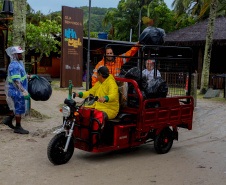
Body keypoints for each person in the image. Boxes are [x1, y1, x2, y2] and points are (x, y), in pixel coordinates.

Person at [1, 46, 36, 134]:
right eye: (19, 53)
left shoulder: (19, 63)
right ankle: (18, 127)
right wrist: (24, 91)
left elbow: (21, 76)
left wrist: (30, 77)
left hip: (18, 91)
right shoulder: (14, 65)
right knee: (19, 109)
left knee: (17, 107)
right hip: (17, 91)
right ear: (15, 55)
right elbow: (16, 81)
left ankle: (8, 120)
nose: (21, 55)